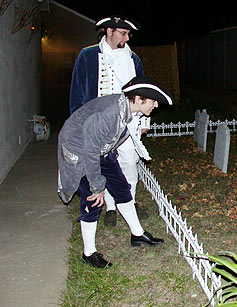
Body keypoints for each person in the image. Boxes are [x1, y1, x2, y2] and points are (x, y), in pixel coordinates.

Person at [58, 76, 173, 268]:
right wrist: (97, 186)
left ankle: (137, 234)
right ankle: (89, 253)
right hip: (80, 152)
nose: (156, 106)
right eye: (153, 101)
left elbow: (107, 141)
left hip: (101, 149)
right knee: (92, 199)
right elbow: (90, 150)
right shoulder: (109, 114)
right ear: (138, 99)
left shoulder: (128, 110)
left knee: (122, 189)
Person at [69, 15, 147, 228]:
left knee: (130, 163)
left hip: (127, 122)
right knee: (103, 165)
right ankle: (110, 208)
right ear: (109, 31)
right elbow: (77, 93)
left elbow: (142, 92)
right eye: (123, 33)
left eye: (129, 34)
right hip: (98, 124)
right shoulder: (88, 56)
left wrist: (144, 121)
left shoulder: (133, 59)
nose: (127, 38)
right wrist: (78, 125)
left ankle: (128, 201)